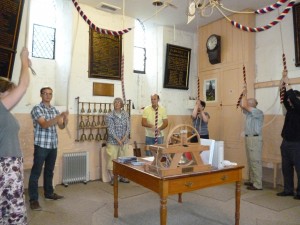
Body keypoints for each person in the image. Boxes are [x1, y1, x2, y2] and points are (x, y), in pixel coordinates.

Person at [0, 47, 30, 224]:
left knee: (6, 209)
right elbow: (24, 85)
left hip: (10, 165)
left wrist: (24, 67)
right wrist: (23, 60)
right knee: (13, 210)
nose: (14, 95)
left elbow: (21, 85)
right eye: (10, 91)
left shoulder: (5, 111)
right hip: (5, 167)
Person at [28, 87, 69, 210]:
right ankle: (33, 200)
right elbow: (44, 124)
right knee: (36, 172)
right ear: (41, 95)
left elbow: (61, 126)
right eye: (45, 93)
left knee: (49, 171)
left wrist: (65, 119)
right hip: (41, 145)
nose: (48, 96)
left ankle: (49, 194)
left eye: (50, 94)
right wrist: (58, 117)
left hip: (53, 145)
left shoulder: (54, 109)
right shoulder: (37, 109)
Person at [277, 74, 300, 200]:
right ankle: (288, 190)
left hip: (297, 144)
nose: (290, 102)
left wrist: (289, 84)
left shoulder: (299, 108)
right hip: (286, 143)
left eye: (293, 100)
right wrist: (282, 86)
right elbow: (286, 99)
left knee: (299, 169)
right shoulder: (291, 110)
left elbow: (294, 101)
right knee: (286, 168)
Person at [240, 89, 264, 191]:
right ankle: (253, 181)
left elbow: (244, 105)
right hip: (249, 138)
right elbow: (242, 105)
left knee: (255, 161)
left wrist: (245, 92)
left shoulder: (258, 112)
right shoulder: (249, 113)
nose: (247, 103)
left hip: (255, 139)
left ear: (253, 104)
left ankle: (258, 184)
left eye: (249, 102)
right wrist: (243, 93)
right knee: (250, 161)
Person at [105, 97, 130, 186]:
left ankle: (122, 176)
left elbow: (128, 128)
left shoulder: (125, 114)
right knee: (112, 160)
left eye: (119, 102)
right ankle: (113, 178)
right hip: (113, 142)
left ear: (122, 104)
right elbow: (110, 130)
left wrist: (123, 138)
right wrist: (118, 140)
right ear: (114, 104)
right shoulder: (109, 115)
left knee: (123, 160)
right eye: (115, 102)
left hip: (124, 141)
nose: (117, 104)